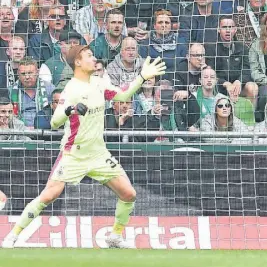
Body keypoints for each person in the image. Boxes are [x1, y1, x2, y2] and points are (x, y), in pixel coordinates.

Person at [2, 45, 166, 249]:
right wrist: (70, 110)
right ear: (77, 62)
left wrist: (141, 77)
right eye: (88, 55)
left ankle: (115, 236)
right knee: (48, 195)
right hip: (74, 153)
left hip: (98, 153)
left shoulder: (99, 83)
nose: (93, 58)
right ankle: (12, 235)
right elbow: (54, 122)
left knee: (129, 194)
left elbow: (123, 96)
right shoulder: (71, 89)